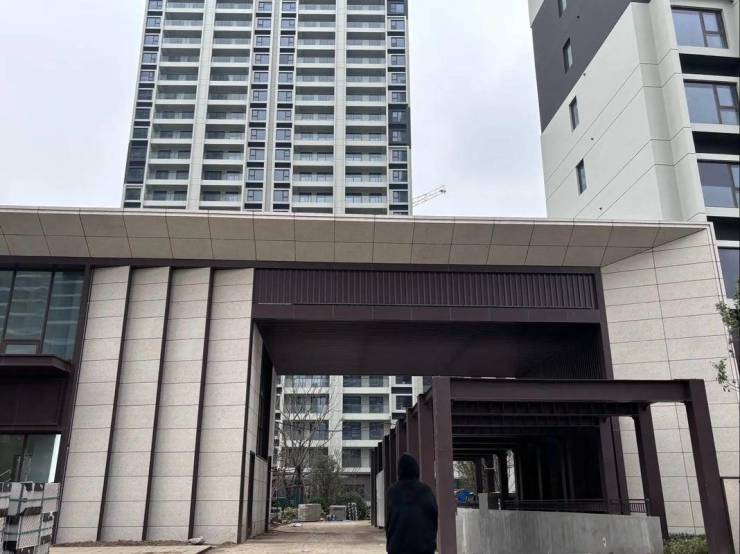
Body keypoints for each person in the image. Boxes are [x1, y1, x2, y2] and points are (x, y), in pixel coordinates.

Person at [385, 453, 438, 554]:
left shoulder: (393, 492)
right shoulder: (426, 491)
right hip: (423, 548)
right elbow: (434, 519)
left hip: (397, 548)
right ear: (416, 469)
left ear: (399, 471)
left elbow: (389, 522)